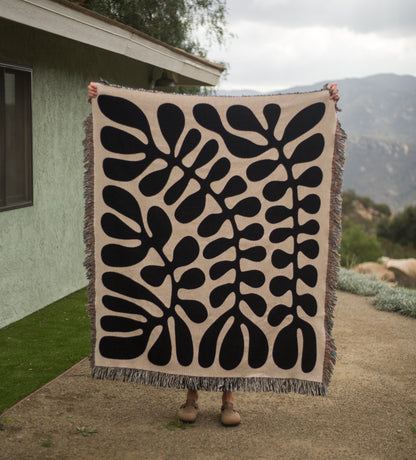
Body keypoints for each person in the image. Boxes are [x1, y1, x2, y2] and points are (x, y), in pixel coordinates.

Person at [87, 81, 340, 427]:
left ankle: (229, 400)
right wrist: (104, 98)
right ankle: (191, 395)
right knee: (194, 312)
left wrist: (326, 97)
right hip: (192, 243)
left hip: (236, 245)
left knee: (234, 309)